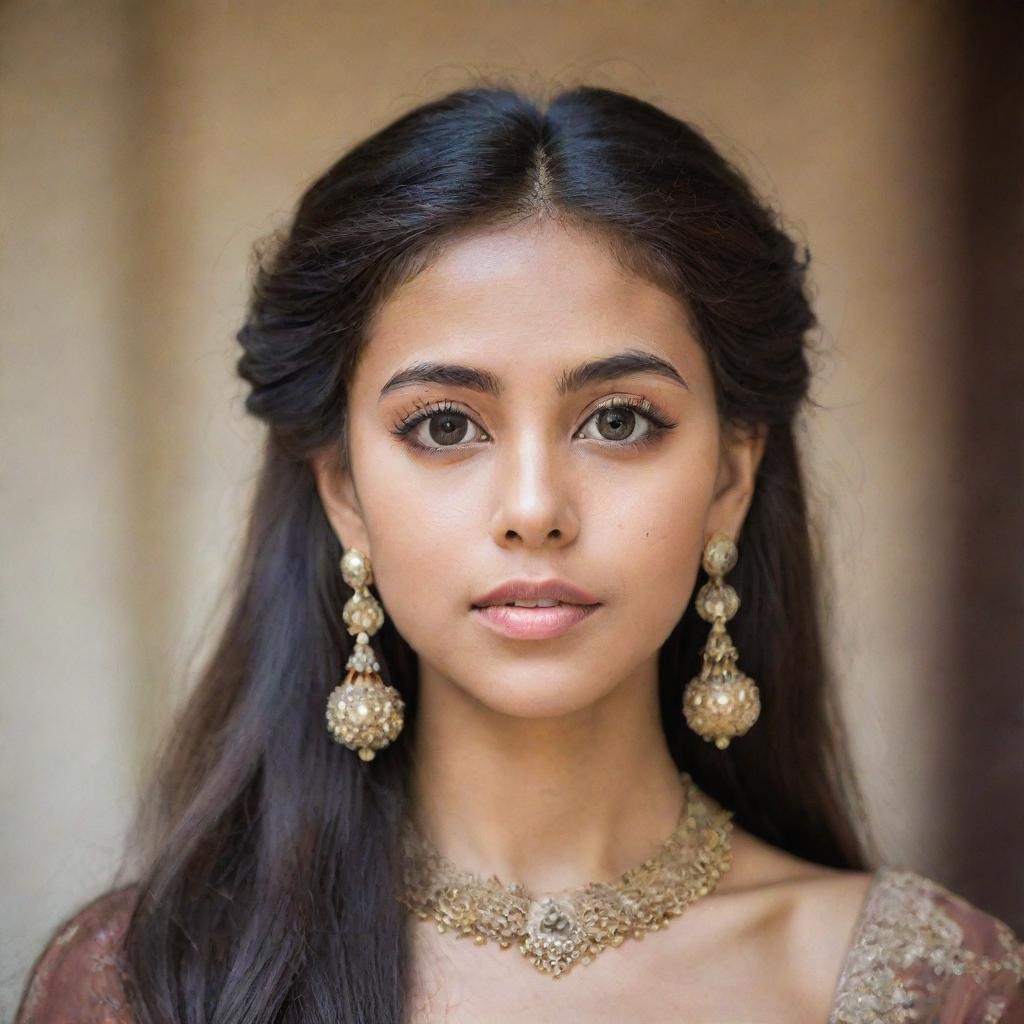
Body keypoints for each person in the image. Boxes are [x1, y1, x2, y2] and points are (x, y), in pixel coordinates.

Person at [14, 82, 1024, 1024]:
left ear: (730, 475)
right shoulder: (151, 981)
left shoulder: (926, 984)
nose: (535, 509)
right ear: (342, 490)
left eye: (620, 419)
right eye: (446, 425)